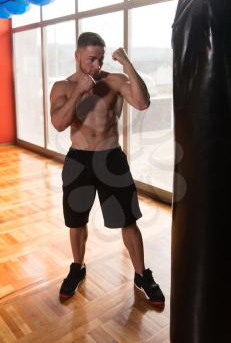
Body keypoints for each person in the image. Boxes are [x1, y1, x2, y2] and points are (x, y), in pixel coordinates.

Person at [50, 32, 165, 307]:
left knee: (128, 220)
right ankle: (77, 267)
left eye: (100, 59)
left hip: (111, 158)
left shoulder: (113, 81)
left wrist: (126, 63)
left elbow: (142, 102)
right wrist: (79, 91)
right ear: (77, 55)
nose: (96, 65)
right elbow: (58, 123)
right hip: (79, 160)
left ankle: (141, 274)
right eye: (91, 59)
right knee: (76, 221)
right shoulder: (62, 87)